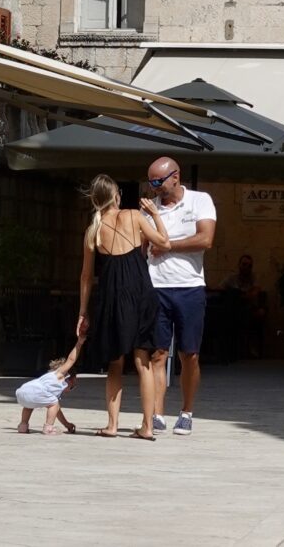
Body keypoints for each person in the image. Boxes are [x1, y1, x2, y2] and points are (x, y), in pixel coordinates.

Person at [75, 173, 165, 439]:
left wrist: (82, 312)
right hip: (140, 292)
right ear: (116, 195)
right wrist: (156, 215)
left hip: (112, 296)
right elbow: (165, 242)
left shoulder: (93, 230)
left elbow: (86, 277)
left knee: (115, 362)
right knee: (143, 361)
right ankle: (147, 427)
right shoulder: (135, 216)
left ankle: (112, 425)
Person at [139, 155, 218, 434]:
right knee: (157, 354)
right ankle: (158, 414)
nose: (155, 187)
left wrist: (168, 246)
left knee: (189, 355)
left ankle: (186, 411)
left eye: (159, 181)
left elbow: (205, 239)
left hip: (189, 287)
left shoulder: (200, 200)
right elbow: (143, 247)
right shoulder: (150, 209)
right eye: (151, 183)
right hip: (156, 286)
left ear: (176, 176)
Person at [14, 333, 81, 435]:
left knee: (29, 405)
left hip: (22, 391)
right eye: (72, 387)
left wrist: (67, 424)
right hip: (36, 391)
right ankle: (48, 428)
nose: (70, 390)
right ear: (69, 378)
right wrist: (79, 343)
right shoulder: (60, 374)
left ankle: (23, 426)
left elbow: (57, 412)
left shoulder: (49, 384)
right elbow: (71, 360)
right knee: (53, 403)